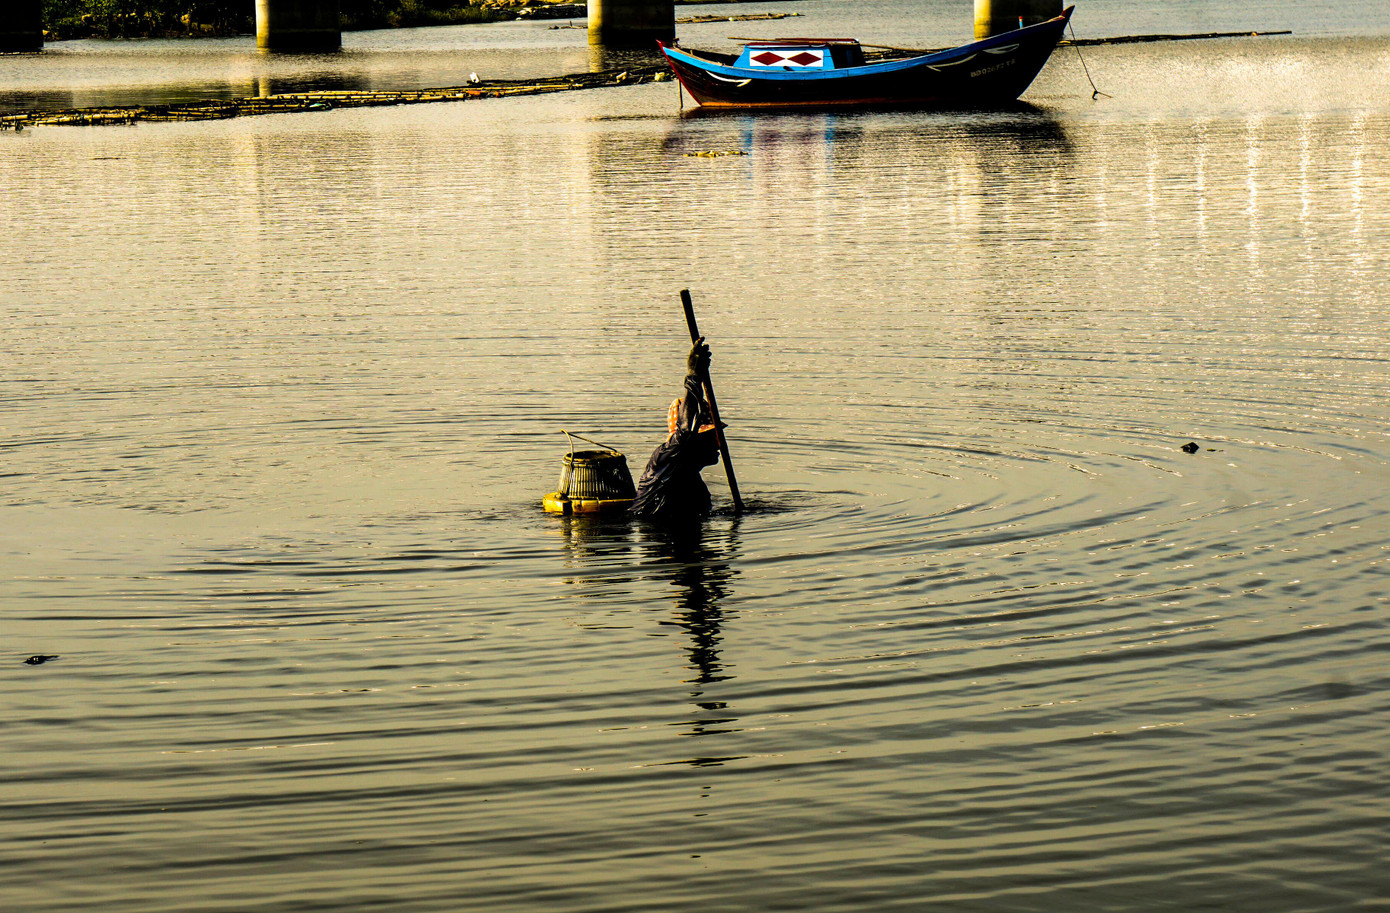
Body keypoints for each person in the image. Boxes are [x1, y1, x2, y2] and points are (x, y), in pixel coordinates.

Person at [630, 338, 722, 520]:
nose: (718, 444)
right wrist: (694, 376)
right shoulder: (667, 458)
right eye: (711, 436)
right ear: (695, 440)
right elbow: (685, 431)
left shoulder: (693, 481)